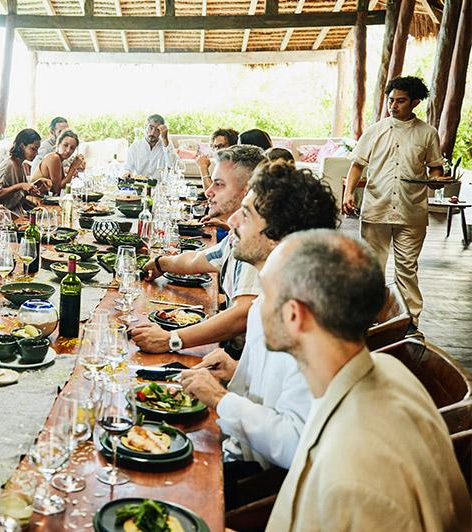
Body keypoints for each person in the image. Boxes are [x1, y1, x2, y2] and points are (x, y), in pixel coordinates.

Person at [262, 230, 470, 531]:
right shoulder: (386, 367)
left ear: (295, 316)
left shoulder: (354, 481)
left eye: (265, 294)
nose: (260, 308)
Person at [178, 163, 339, 511]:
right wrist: (236, 370)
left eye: (246, 215)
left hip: (253, 480)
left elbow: (298, 443)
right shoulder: (270, 297)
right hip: (234, 441)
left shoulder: (304, 320)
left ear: (277, 238)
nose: (233, 221)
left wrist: (221, 399)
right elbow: (276, 392)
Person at [131, 146, 267, 357]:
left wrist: (171, 339)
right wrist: (160, 263)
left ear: (247, 191)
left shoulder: (257, 241)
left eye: (219, 184)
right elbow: (197, 259)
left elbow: (243, 314)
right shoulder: (238, 234)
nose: (208, 191)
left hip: (241, 361)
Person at [343, 76, 445, 332]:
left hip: (412, 212)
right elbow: (357, 165)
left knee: (407, 269)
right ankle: (369, 319)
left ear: (415, 102)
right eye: (391, 100)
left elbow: (435, 169)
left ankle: (409, 322)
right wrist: (348, 194)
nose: (394, 105)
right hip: (376, 208)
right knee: (373, 267)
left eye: (400, 101)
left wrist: (436, 181)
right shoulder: (375, 131)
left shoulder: (427, 133)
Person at [0, 129, 50, 212]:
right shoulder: (9, 165)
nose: (36, 153)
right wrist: (20, 186)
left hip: (18, 212)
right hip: (5, 216)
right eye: (33, 149)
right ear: (22, 146)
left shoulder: (21, 164)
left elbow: (21, 193)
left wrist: (37, 183)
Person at [34, 130, 86, 195]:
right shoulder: (54, 158)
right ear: (58, 144)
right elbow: (57, 190)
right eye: (65, 145)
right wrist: (73, 167)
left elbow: (64, 187)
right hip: (35, 200)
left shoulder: (60, 160)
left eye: (72, 148)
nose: (68, 150)